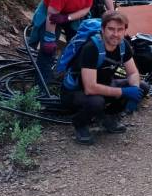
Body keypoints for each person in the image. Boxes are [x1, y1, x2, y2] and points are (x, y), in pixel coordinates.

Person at [60, 11, 142, 145]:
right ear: (103, 29)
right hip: (75, 92)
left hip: (104, 85)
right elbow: (90, 88)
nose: (115, 34)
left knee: (142, 87)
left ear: (124, 30)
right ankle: (80, 124)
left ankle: (107, 117)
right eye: (111, 29)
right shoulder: (91, 48)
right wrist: (123, 92)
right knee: (96, 101)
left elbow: (133, 73)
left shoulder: (123, 45)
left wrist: (135, 90)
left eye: (119, 29)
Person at [32, 0, 96, 87]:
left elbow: (86, 8)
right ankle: (40, 85)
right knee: (47, 50)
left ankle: (63, 77)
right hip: (52, 16)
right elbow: (52, 14)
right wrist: (49, 37)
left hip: (73, 14)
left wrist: (67, 18)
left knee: (78, 45)